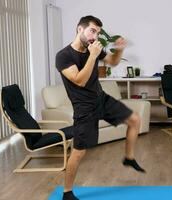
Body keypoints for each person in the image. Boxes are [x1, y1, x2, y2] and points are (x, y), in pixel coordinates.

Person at [56, 15, 145, 200]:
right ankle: (67, 192)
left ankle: (129, 158)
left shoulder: (93, 48)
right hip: (84, 107)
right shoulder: (64, 56)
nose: (95, 36)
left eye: (97, 32)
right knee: (79, 152)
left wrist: (119, 49)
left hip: (100, 98)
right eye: (92, 31)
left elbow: (112, 62)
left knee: (134, 119)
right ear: (79, 29)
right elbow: (80, 80)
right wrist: (93, 56)